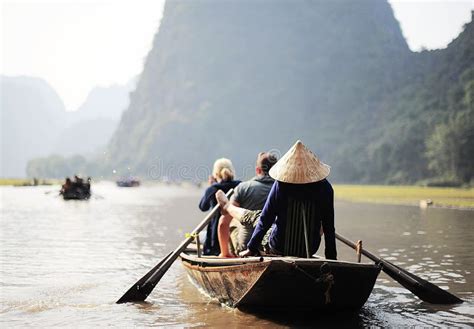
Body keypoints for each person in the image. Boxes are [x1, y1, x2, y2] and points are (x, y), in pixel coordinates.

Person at [215, 140, 337, 260]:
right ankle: (227, 206)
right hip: (309, 248)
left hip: (279, 246)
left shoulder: (282, 185)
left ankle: (227, 207)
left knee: (256, 216)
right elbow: (329, 227)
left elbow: (266, 218)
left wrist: (251, 248)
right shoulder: (325, 187)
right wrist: (331, 258)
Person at [217, 152, 277, 257]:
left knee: (233, 221)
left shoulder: (243, 188)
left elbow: (223, 223)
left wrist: (224, 253)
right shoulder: (284, 190)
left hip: (246, 247)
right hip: (275, 245)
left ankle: (226, 254)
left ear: (258, 170)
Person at [199, 158, 240, 256]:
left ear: (216, 174)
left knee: (200, 237)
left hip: (216, 239)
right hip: (238, 233)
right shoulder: (240, 185)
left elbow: (202, 207)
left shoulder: (213, 188)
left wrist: (210, 187)